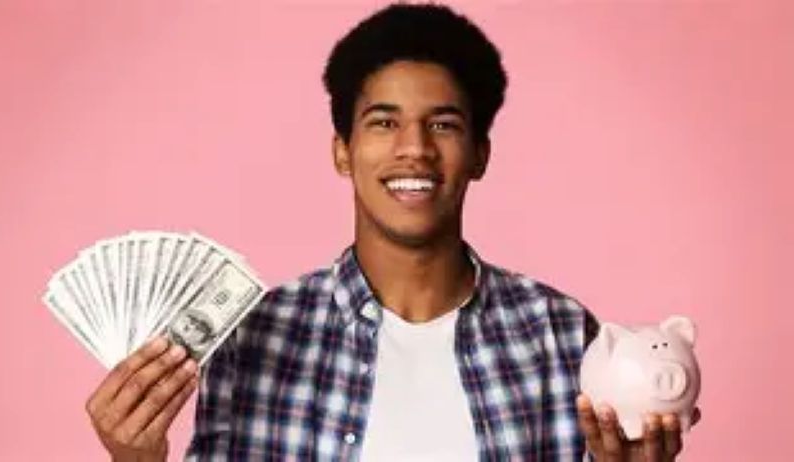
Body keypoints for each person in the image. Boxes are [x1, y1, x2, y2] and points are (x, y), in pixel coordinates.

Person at [85, 3, 699, 461]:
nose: (414, 150)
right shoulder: (252, 337)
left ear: (480, 154)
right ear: (343, 152)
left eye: (443, 125)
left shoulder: (561, 332)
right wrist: (136, 461)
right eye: (383, 122)